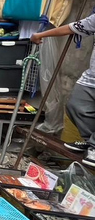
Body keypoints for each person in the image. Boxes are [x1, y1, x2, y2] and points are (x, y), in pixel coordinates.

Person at [31, 14, 95, 166]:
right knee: (76, 106)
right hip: (91, 78)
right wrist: (41, 34)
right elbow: (72, 27)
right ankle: (91, 141)